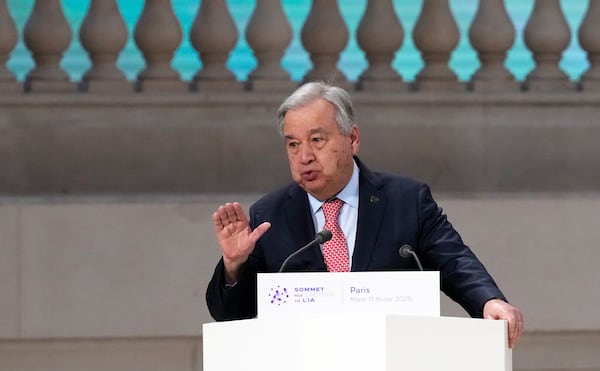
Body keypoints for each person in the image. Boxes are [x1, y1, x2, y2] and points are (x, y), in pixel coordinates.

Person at [206, 82, 524, 348]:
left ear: (353, 139)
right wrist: (234, 267)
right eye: (292, 144)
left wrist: (488, 301)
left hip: (394, 369)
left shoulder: (405, 200)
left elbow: (453, 260)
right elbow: (232, 318)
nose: (304, 156)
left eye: (317, 140)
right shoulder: (268, 216)